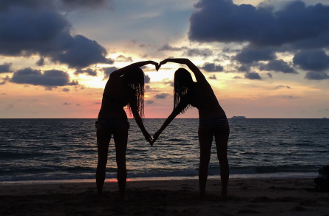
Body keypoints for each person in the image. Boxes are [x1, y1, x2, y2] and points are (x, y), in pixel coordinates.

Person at [153, 58, 229, 199]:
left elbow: (172, 116)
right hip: (220, 119)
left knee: (204, 161)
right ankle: (224, 192)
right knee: (222, 158)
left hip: (205, 123)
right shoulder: (202, 83)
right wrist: (168, 60)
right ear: (189, 76)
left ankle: (202, 193)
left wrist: (158, 132)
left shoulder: (188, 97)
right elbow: (187, 61)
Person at [96, 60, 157, 200]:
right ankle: (122, 195)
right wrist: (145, 133)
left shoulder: (113, 78)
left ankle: (99, 194)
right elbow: (136, 115)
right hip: (120, 123)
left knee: (102, 161)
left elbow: (129, 67)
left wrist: (145, 62)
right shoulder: (130, 91)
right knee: (121, 161)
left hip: (103, 121)